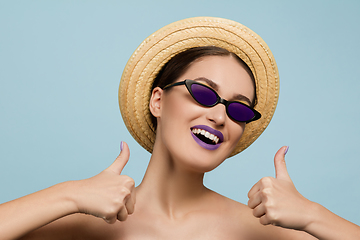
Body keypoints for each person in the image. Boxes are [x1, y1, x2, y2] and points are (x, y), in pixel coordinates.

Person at [0, 17, 359, 240]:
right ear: (158, 101)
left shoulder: (259, 231)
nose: (220, 117)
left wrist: (313, 215)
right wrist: (68, 195)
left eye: (238, 109)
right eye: (203, 93)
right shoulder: (85, 223)